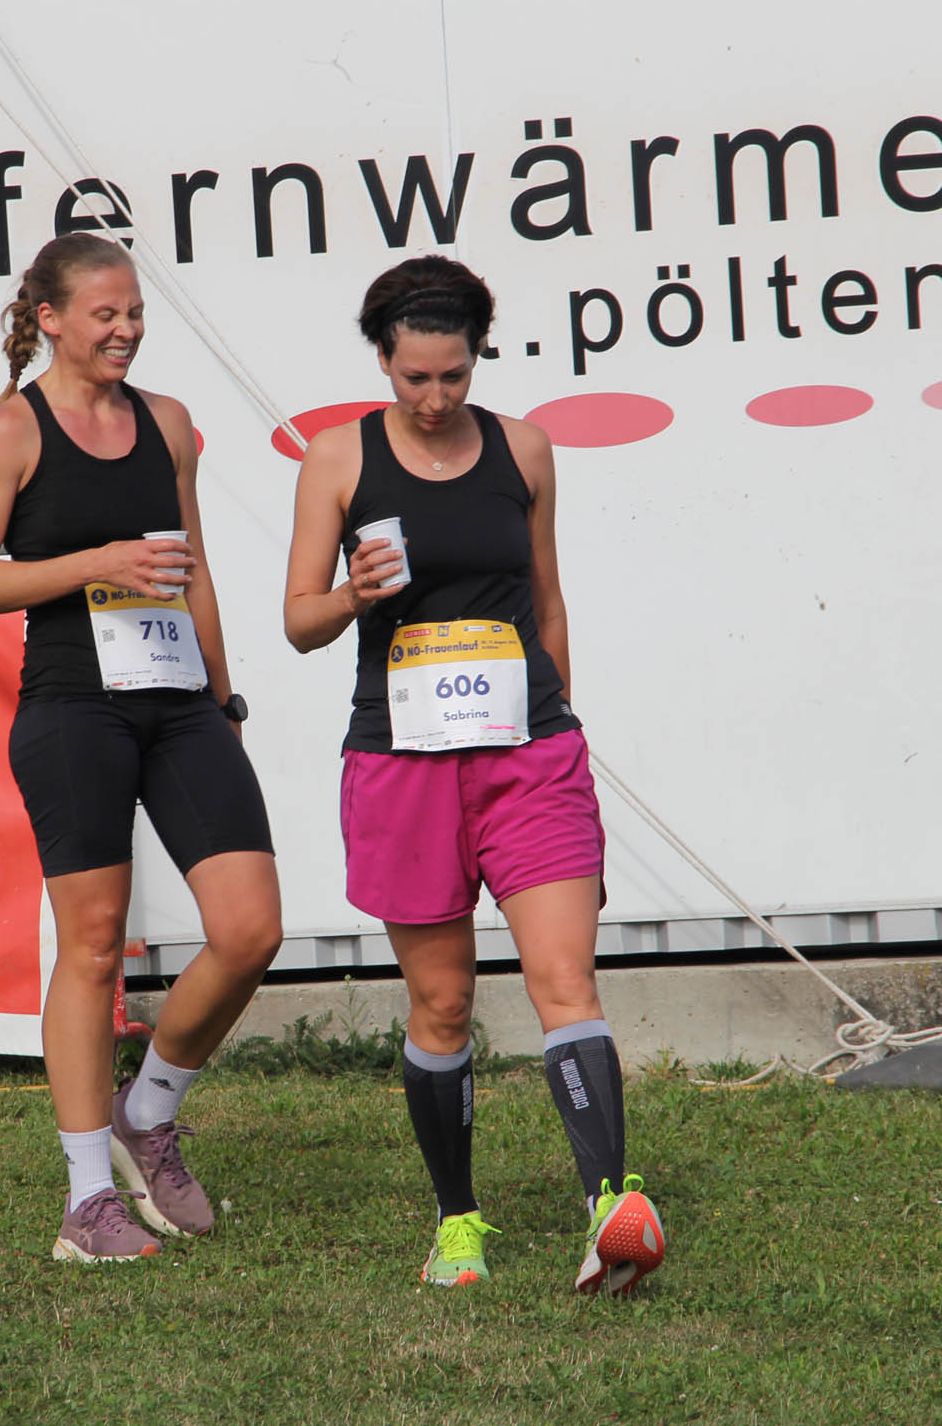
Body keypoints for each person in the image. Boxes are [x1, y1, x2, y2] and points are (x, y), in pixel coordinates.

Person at [282, 254, 665, 1295]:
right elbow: (299, 623)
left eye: (455, 374)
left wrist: (561, 725)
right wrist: (353, 595)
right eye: (416, 377)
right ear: (383, 361)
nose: (437, 397)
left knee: (564, 979)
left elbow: (547, 601)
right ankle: (458, 1226)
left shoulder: (525, 448)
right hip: (401, 764)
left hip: (528, 755)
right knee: (443, 1004)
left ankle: (610, 1213)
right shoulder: (337, 458)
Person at [0, 233, 282, 1264]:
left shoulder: (167, 424)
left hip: (179, 703)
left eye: (135, 312)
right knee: (92, 947)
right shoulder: (11, 430)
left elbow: (192, 570)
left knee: (251, 930)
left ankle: (151, 1111)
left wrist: (221, 699)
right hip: (72, 709)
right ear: (50, 319)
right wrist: (95, 562)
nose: (127, 330)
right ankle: (88, 1198)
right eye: (106, 314)